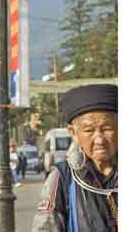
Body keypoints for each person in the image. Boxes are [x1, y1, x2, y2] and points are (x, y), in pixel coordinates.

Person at [32, 84, 118, 232]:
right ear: (73, 132)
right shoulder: (63, 177)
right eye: (89, 130)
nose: (99, 139)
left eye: (107, 128)